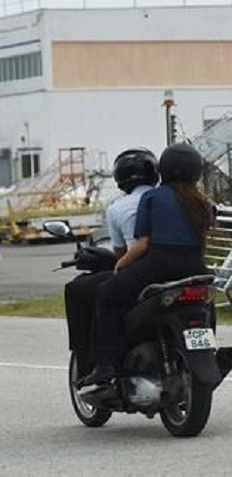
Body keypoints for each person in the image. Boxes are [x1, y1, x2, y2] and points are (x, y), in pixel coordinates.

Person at [79, 143, 214, 387]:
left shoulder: (153, 196)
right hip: (195, 266)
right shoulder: (202, 202)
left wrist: (120, 265)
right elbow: (202, 242)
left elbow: (142, 244)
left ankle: (106, 366)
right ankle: (209, 348)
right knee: (205, 304)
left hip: (159, 264)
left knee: (107, 294)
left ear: (163, 169)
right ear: (196, 171)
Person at [64, 148, 158, 377]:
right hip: (185, 269)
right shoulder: (173, 199)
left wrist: (119, 264)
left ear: (121, 177)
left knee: (79, 290)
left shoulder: (118, 208)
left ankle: (96, 363)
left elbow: (125, 251)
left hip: (141, 272)